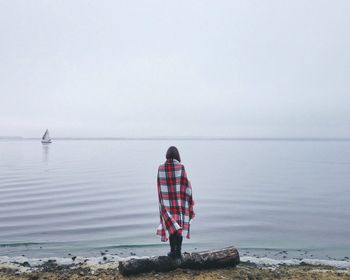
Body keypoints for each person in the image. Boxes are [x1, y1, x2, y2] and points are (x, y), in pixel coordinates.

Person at [156, 146, 195, 259]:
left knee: (171, 228)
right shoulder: (181, 167)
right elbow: (186, 185)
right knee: (179, 228)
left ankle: (173, 251)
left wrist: (162, 203)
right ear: (178, 155)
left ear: (167, 155)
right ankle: (178, 252)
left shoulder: (160, 168)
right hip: (179, 203)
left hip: (166, 204)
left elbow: (159, 186)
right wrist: (189, 200)